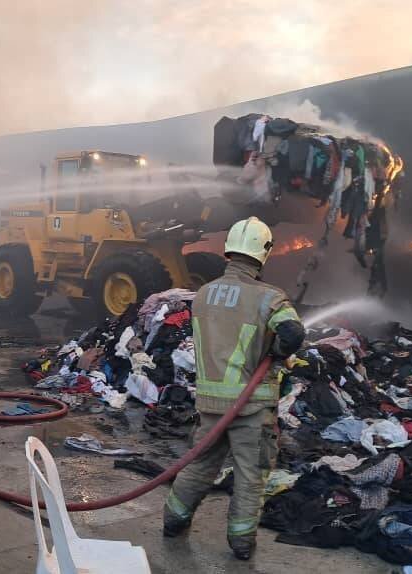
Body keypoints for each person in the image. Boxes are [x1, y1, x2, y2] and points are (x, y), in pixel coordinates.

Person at [163, 216, 305, 560]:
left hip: (210, 402)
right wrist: (276, 352)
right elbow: (294, 333)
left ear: (229, 249)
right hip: (250, 406)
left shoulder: (204, 293)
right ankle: (242, 543)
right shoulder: (269, 297)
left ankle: (173, 520)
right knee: (250, 473)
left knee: (199, 465)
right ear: (264, 252)